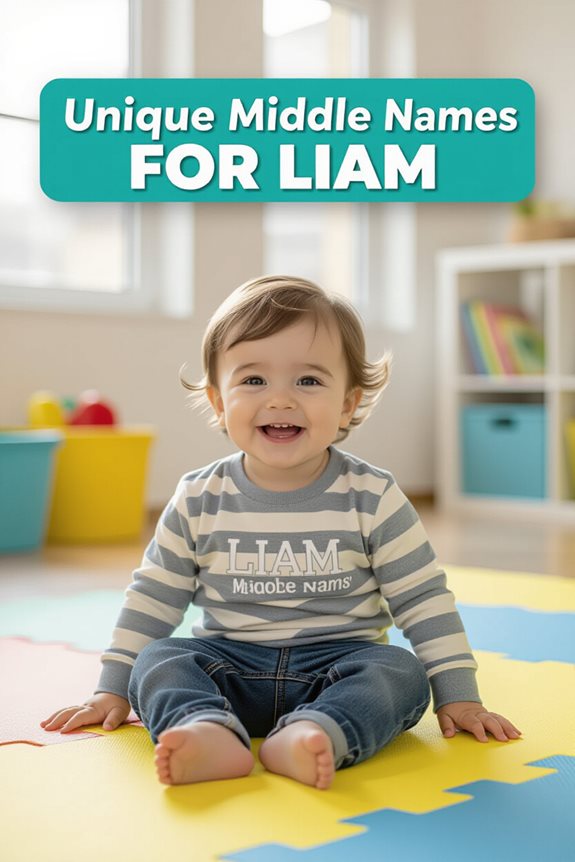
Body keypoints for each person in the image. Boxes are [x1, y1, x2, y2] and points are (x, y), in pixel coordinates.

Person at [41, 275, 521, 790]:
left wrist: (458, 693)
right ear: (219, 400)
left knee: (400, 672)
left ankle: (319, 732)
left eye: (309, 381)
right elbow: (153, 598)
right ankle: (205, 731)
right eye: (253, 381)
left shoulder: (373, 496)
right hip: (228, 667)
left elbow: (423, 599)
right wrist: (111, 689)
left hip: (339, 667)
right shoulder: (199, 497)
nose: (280, 400)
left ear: (347, 403)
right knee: (159, 660)